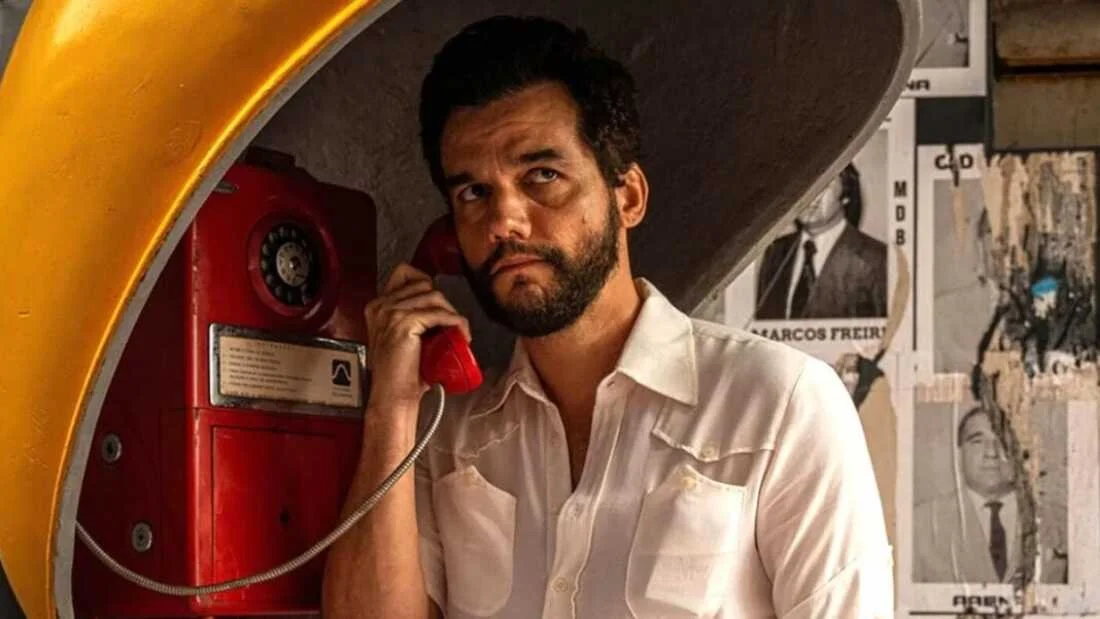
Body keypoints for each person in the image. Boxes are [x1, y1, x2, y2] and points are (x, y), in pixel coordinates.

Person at [322, 16, 891, 618]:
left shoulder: (779, 406)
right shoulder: (450, 438)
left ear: (628, 197)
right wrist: (392, 404)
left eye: (542, 176)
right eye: (473, 193)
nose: (505, 220)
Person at [913, 406, 1067, 583]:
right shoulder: (920, 524)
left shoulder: (1061, 521)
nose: (991, 453)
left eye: (1003, 441)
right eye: (977, 441)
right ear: (959, 454)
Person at [755, 164, 888, 320]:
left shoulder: (876, 257)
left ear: (846, 195)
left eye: (823, 185)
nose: (810, 196)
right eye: (801, 186)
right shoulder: (774, 251)